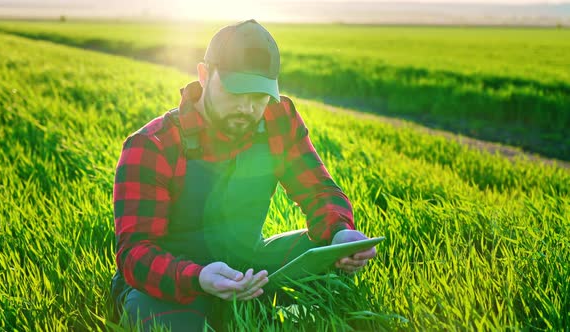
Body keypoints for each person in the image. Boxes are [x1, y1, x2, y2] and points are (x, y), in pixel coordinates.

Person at [111, 19, 377, 331]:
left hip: (246, 263)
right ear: (204, 74)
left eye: (259, 96)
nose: (248, 109)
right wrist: (197, 277)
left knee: (329, 263)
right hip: (173, 282)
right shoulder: (153, 145)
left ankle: (255, 308)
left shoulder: (278, 118)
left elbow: (319, 189)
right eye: (236, 92)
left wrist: (339, 234)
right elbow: (135, 255)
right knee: (167, 325)